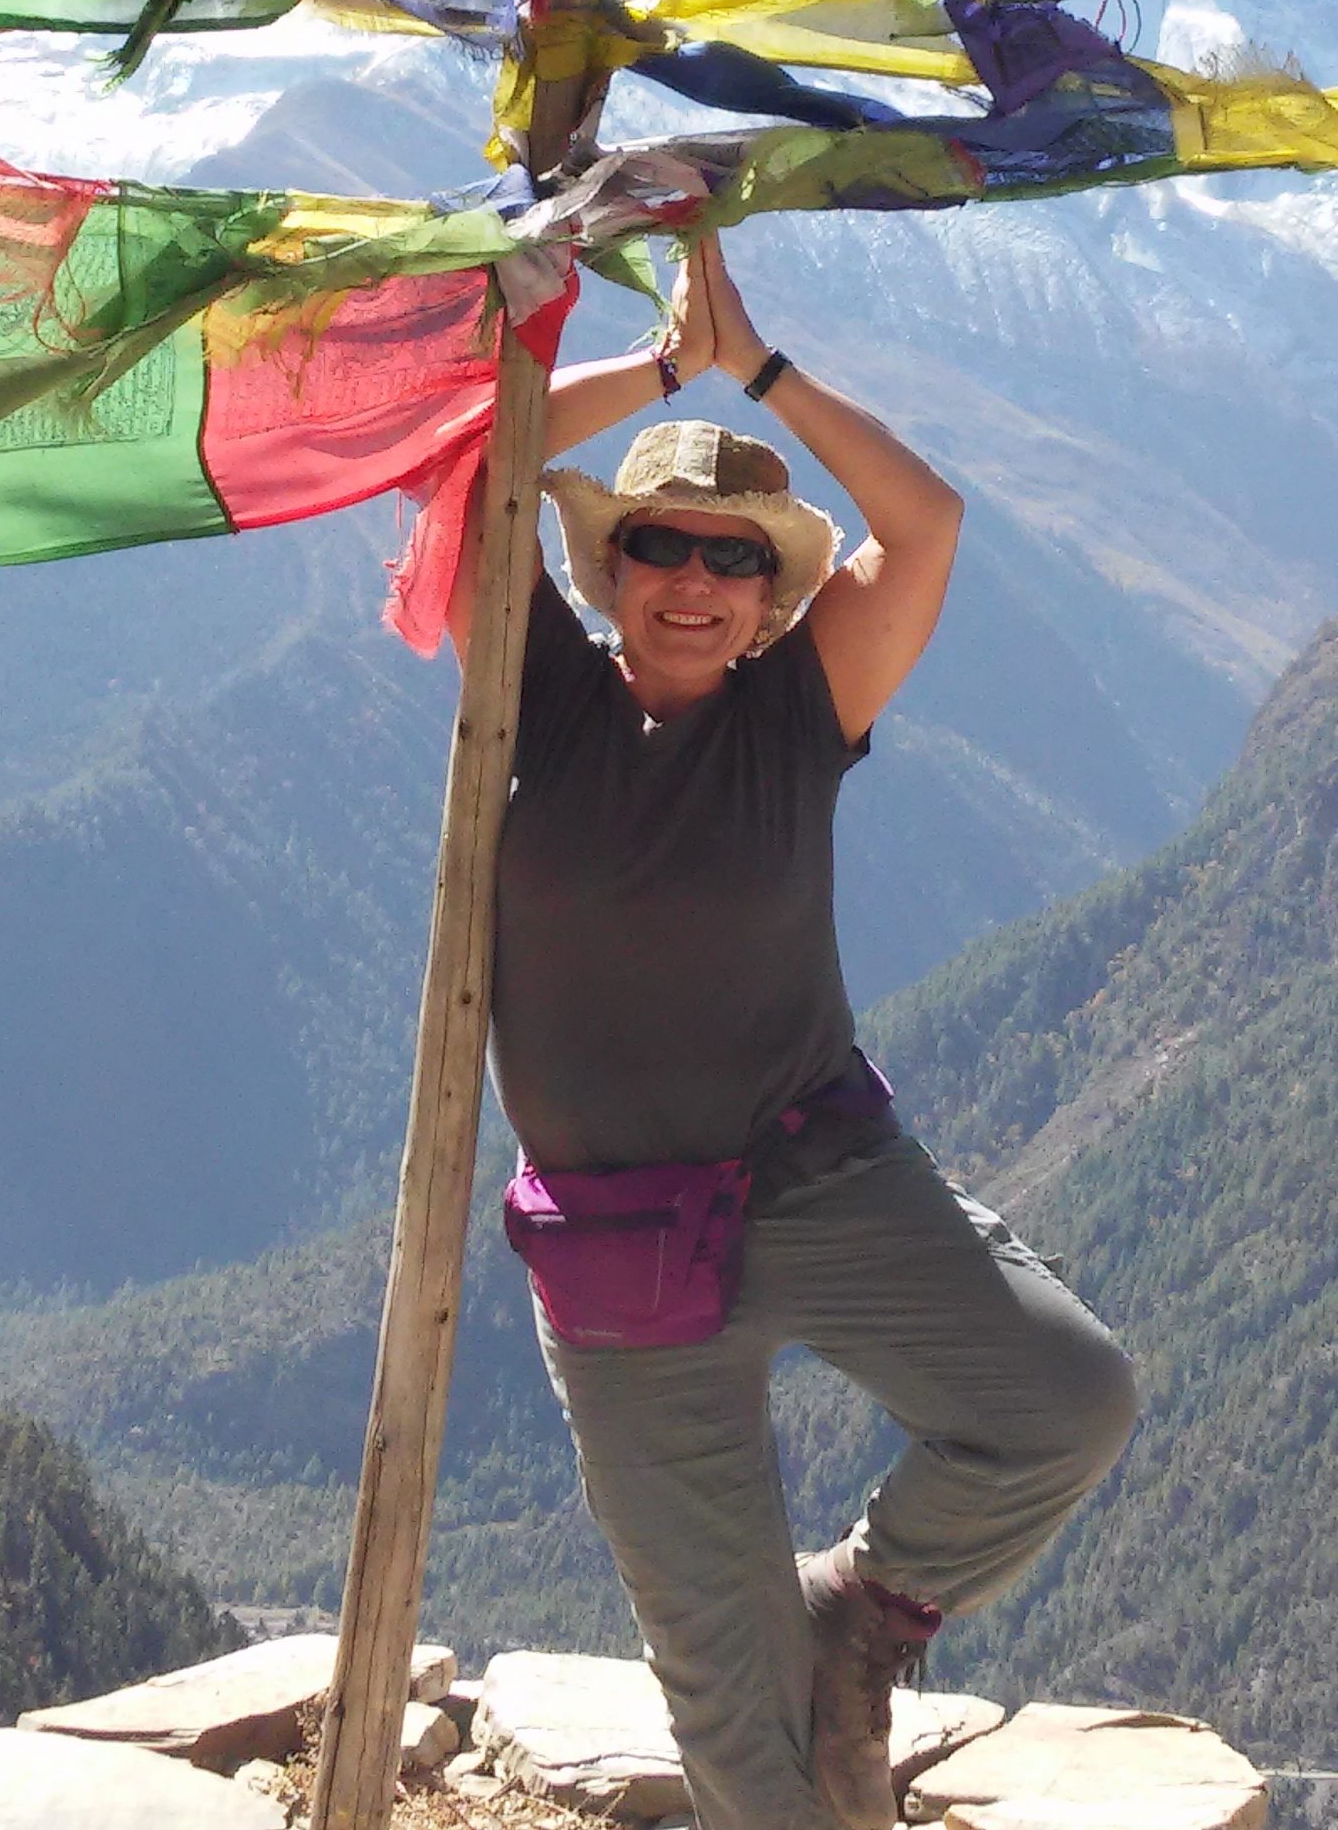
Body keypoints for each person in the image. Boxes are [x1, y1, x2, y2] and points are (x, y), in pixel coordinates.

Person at [464, 235, 1137, 1830]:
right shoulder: (537, 688)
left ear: (774, 596)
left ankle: (865, 1612)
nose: (694, 582)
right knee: (733, 1715)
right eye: (659, 545)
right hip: (622, 1248)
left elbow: (928, 524)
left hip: (815, 1179)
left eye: (735, 558)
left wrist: (755, 367)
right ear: (609, 565)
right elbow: (470, 450)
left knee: (1065, 1401)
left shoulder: (800, 710)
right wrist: (659, 367)